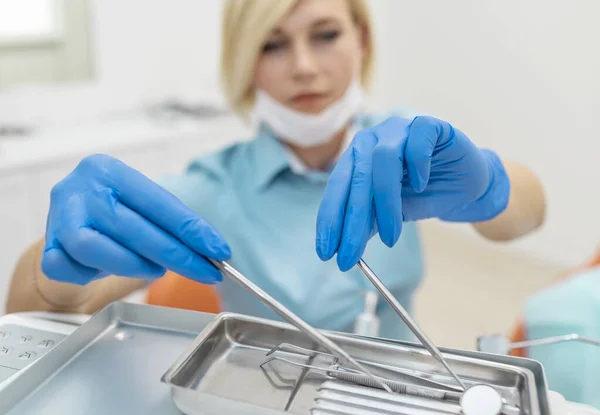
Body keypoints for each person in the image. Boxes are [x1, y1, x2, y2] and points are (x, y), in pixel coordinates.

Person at [6, 0, 545, 340]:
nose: (305, 67)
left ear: (362, 39)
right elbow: (33, 316)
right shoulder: (212, 186)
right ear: (245, 65)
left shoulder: (403, 149)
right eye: (273, 44)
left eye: (326, 34)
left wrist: (490, 185)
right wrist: (54, 265)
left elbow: (527, 217)